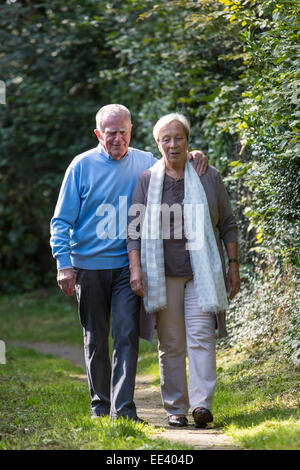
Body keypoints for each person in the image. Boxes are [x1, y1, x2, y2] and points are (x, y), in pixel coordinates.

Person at [50, 104, 208, 422]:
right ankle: (100, 405)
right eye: (111, 133)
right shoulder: (80, 166)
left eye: (124, 131)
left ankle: (123, 409)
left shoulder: (145, 163)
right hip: (87, 266)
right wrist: (63, 263)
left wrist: (194, 155)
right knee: (96, 336)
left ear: (131, 130)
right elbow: (61, 221)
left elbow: (173, 162)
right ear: (99, 134)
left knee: (125, 334)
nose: (118, 138)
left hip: (127, 265)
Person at [127, 113, 240, 428]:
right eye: (166, 138)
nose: (173, 144)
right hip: (162, 275)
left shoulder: (208, 176)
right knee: (172, 342)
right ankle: (176, 408)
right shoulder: (147, 180)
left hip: (201, 274)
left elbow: (228, 224)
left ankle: (202, 406)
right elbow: (133, 230)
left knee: (202, 337)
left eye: (179, 138)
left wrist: (233, 265)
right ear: (158, 143)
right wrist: (136, 268)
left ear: (189, 142)